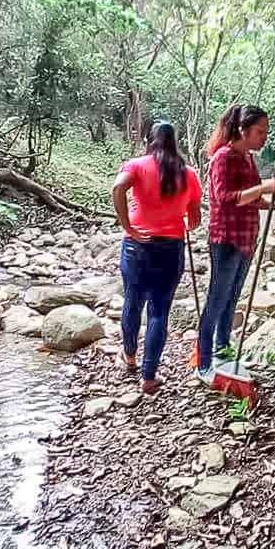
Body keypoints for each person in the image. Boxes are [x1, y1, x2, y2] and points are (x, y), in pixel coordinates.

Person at [196, 104, 275, 384]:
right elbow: (226, 197)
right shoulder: (223, 158)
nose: (264, 137)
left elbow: (249, 198)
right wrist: (264, 187)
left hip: (246, 238)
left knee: (232, 296)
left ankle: (222, 349)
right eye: (260, 132)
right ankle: (203, 362)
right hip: (226, 238)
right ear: (243, 130)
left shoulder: (248, 158)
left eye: (266, 132)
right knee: (217, 298)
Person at [112, 122, 202, 395]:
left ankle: (129, 357)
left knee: (132, 301)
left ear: (148, 140)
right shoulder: (188, 173)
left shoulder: (136, 166)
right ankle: (149, 377)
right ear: (175, 141)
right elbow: (195, 218)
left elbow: (118, 188)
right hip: (171, 246)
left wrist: (127, 226)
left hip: (137, 245)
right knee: (159, 312)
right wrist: (181, 219)